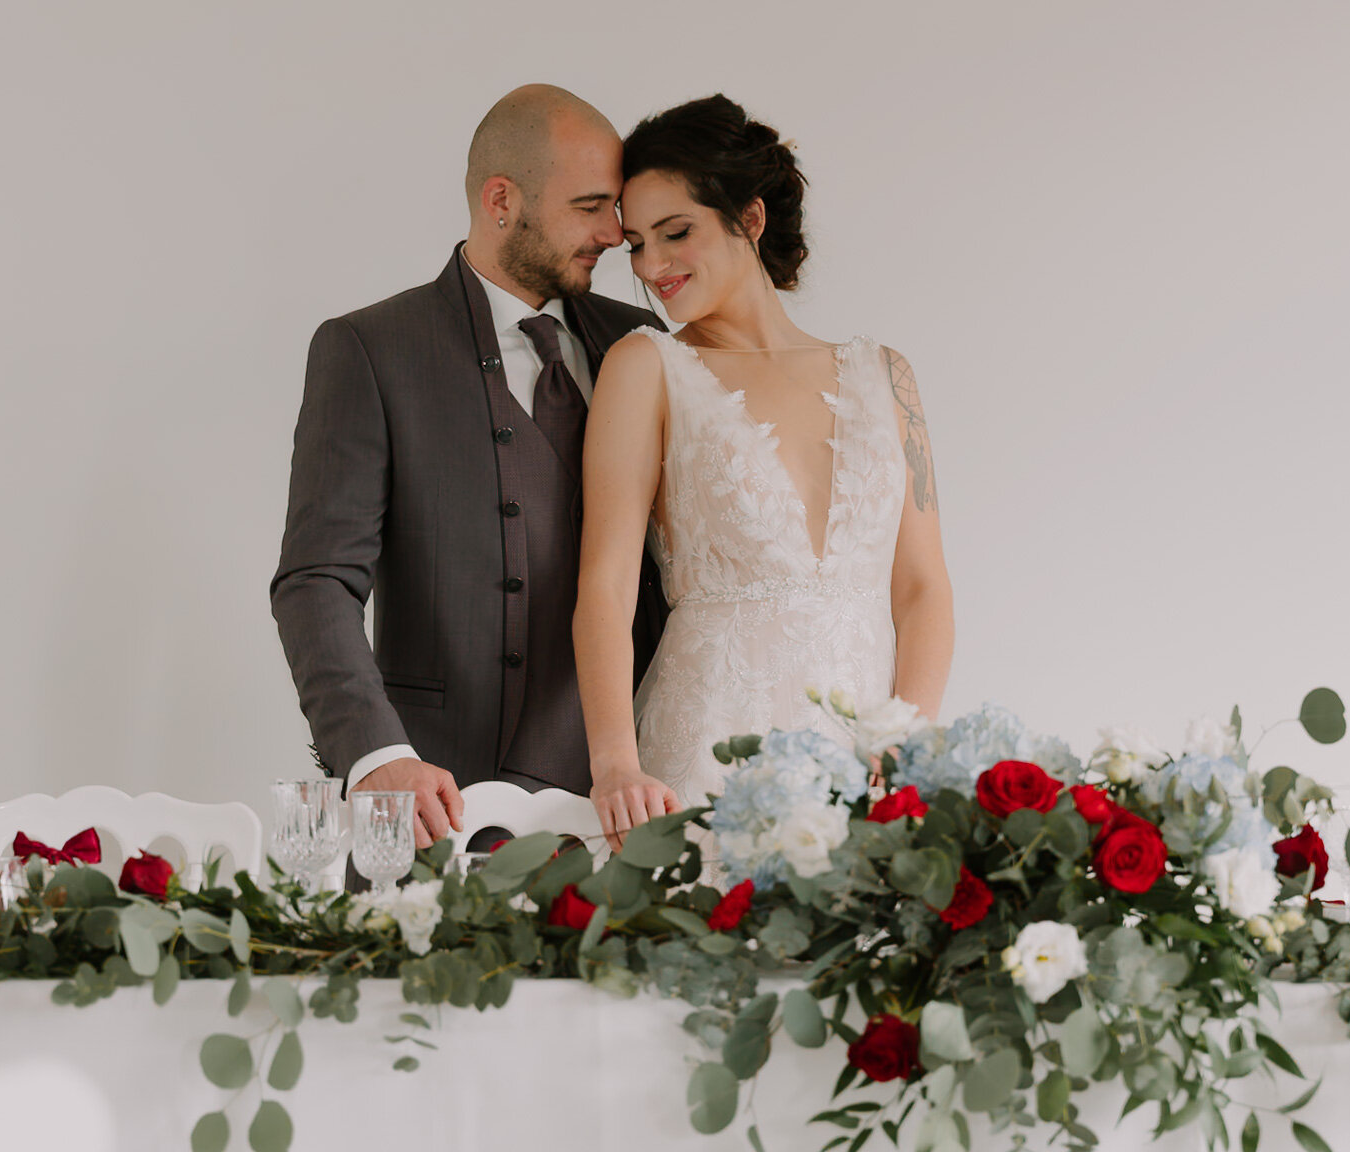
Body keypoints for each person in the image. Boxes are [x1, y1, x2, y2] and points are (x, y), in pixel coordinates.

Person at [272, 85, 668, 853]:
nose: (615, 234)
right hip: (444, 807)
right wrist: (376, 754)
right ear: (501, 201)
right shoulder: (372, 349)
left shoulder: (643, 341)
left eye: (615, 207)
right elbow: (317, 579)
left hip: (633, 808)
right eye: (590, 207)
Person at [574, 95, 956, 850]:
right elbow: (606, 582)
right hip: (705, 755)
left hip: (868, 768)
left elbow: (922, 588)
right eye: (637, 245)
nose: (651, 267)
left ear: (749, 218)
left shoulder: (888, 377)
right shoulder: (645, 367)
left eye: (676, 232)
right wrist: (614, 761)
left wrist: (904, 748)